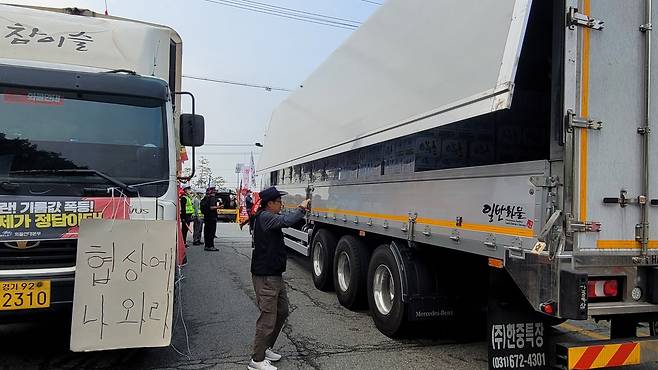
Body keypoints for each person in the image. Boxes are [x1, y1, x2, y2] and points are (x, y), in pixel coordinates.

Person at [248, 186, 309, 370]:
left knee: (282, 311)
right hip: (266, 276)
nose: (281, 204)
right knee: (268, 317)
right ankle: (256, 361)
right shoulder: (265, 217)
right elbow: (288, 220)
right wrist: (302, 208)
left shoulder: (266, 216)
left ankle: (266, 347)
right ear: (270, 204)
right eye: (279, 201)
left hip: (274, 274)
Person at [200, 186, 219, 252]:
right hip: (212, 217)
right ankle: (211, 246)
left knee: (207, 232)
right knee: (211, 232)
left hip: (206, 217)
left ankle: (207, 245)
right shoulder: (212, 198)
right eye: (214, 190)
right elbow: (211, 207)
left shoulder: (205, 198)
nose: (215, 192)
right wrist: (219, 206)